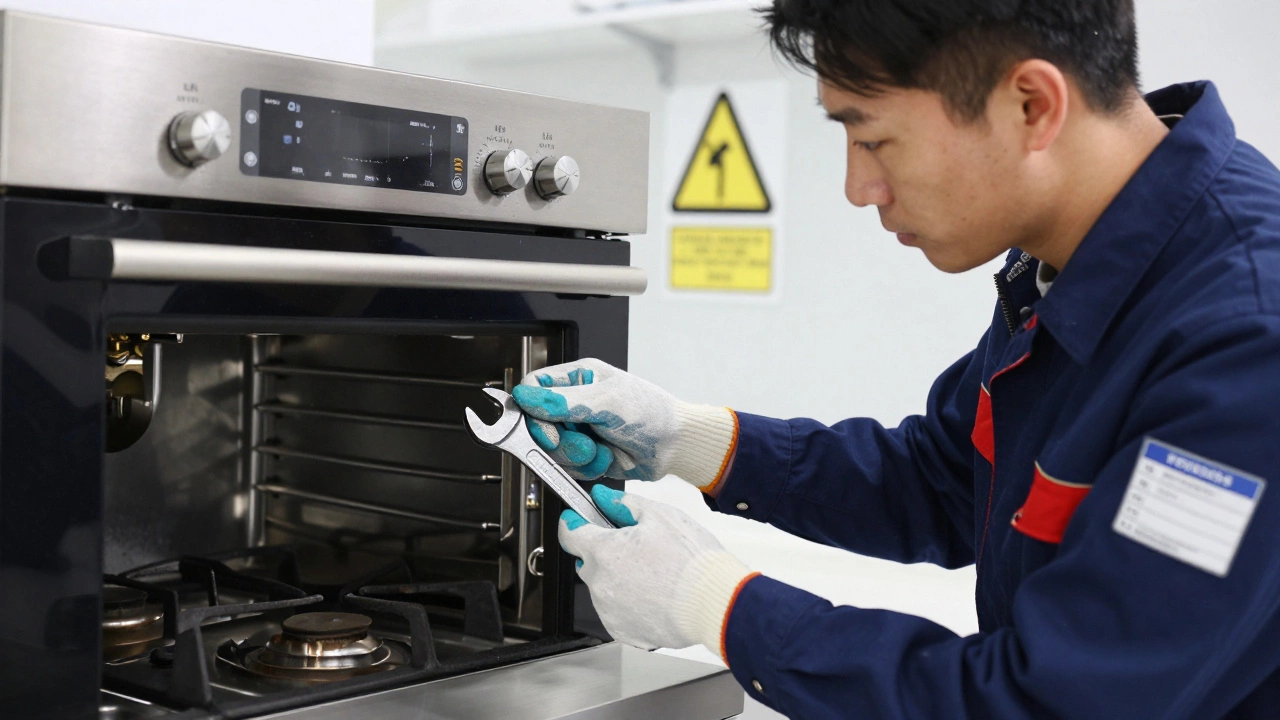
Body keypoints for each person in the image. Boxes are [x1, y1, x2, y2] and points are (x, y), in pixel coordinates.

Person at [511, 0, 1280, 717]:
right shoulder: (1067, 265)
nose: (857, 186)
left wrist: (716, 602)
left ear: (1031, 107)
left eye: (873, 138)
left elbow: (1053, 700)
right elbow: (945, 480)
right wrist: (687, 436)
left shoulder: (1246, 339)